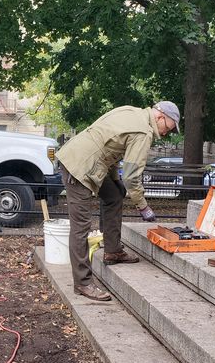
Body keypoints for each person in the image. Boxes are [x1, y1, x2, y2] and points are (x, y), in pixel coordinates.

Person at [55, 101, 180, 301]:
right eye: (168, 128)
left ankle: (112, 251)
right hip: (78, 166)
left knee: (114, 195)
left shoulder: (131, 111)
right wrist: (143, 206)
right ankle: (83, 283)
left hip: (89, 158)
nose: (165, 133)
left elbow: (110, 149)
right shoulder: (144, 132)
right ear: (160, 117)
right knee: (81, 227)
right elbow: (132, 176)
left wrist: (114, 181)